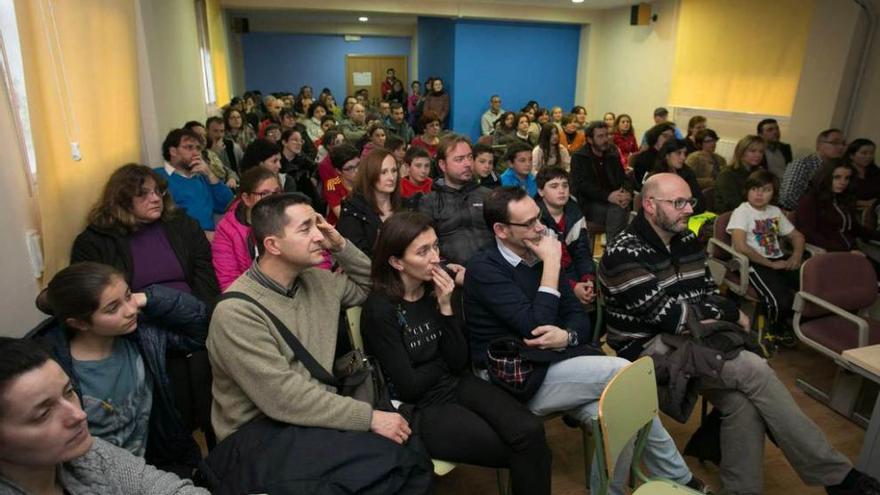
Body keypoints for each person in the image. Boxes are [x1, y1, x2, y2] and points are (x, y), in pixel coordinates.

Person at [599, 172, 880, 495]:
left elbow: (706, 291)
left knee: (741, 404)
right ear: (649, 205)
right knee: (754, 368)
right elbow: (672, 317)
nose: (689, 209)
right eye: (678, 203)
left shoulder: (686, 240)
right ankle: (839, 477)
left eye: (689, 201)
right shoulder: (624, 252)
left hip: (692, 342)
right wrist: (730, 312)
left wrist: (707, 312)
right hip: (644, 352)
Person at [464, 186, 709, 495]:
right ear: (500, 230)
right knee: (622, 371)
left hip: (551, 362)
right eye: (528, 224)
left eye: (538, 218)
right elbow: (535, 325)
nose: (540, 228)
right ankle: (682, 479)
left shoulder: (536, 249)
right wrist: (553, 264)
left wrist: (567, 335)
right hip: (510, 379)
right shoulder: (485, 268)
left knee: (624, 411)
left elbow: (579, 316)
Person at [205, 193, 433, 494]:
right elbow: (284, 399)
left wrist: (340, 245)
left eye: (318, 224)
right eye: (305, 229)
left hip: (313, 419)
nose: (318, 235)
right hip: (261, 435)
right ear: (273, 245)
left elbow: (376, 285)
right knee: (393, 469)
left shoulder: (318, 281)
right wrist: (368, 418)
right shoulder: (237, 312)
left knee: (411, 455)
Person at [363, 212, 552, 495]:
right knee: (516, 449)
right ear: (396, 261)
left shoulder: (435, 290)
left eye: (436, 246)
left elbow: (457, 360)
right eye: (423, 251)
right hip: (421, 409)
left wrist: (447, 307)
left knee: (531, 432)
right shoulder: (381, 310)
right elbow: (409, 386)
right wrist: (442, 364)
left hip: (456, 384)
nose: (435, 258)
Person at [35, 262, 207, 475]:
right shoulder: (59, 373)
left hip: (154, 466)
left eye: (128, 296)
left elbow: (200, 329)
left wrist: (148, 297)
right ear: (80, 324)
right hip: (97, 479)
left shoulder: (143, 338)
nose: (130, 310)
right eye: (112, 308)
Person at [0, 338, 209, 494]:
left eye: (69, 391)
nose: (79, 415)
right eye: (44, 414)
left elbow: (166, 488)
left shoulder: (88, 454)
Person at [71, 164, 220, 307]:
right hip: (135, 319)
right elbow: (88, 296)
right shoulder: (96, 240)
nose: (155, 198)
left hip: (191, 312)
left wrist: (201, 313)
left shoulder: (183, 225)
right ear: (122, 200)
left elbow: (206, 278)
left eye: (157, 191)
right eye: (143, 194)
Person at [728, 169, 804, 344]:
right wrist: (770, 265)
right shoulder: (742, 211)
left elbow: (798, 237)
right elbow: (741, 246)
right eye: (755, 189)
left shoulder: (775, 211)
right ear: (747, 190)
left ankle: (797, 324)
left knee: (808, 286)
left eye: (766, 190)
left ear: (773, 193)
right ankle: (777, 329)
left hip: (777, 260)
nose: (759, 194)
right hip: (752, 263)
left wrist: (796, 257)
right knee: (781, 299)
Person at [418, 134, 494, 265]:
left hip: (493, 269)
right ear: (442, 165)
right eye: (459, 159)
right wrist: (447, 270)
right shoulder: (430, 201)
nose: (468, 164)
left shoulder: (489, 196)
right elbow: (423, 248)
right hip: (452, 275)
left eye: (470, 157)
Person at [796, 161, 880, 267]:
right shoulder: (810, 200)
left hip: (852, 249)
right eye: (837, 177)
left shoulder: (843, 198)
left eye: (847, 178)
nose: (843, 182)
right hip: (831, 252)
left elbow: (855, 228)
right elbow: (809, 233)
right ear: (825, 177)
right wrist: (845, 251)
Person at [212, 167, 282, 290]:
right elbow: (228, 280)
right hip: (252, 298)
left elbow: (318, 261)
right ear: (246, 198)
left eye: (276, 192)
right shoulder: (227, 230)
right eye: (264, 194)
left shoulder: (291, 218)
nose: (273, 199)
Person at [535, 167, 596, 304]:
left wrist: (588, 280)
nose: (561, 190)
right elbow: (537, 266)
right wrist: (573, 287)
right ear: (540, 191)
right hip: (544, 280)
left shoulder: (575, 213)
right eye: (554, 186)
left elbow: (582, 252)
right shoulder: (534, 219)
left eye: (565, 185)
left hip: (572, 272)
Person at [154, 128, 233, 233]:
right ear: (173, 151)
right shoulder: (156, 177)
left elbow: (227, 205)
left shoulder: (202, 177)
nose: (196, 153)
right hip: (183, 241)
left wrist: (210, 175)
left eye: (198, 148)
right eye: (189, 147)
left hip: (210, 238)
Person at [570, 121, 633, 240]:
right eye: (600, 136)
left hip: (613, 200)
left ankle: (615, 250)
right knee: (619, 210)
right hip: (588, 203)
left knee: (622, 207)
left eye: (606, 135)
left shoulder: (612, 154)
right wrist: (608, 196)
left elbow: (623, 178)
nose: (605, 139)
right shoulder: (580, 157)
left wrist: (626, 194)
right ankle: (613, 251)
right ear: (589, 139)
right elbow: (582, 186)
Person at [337, 149, 401, 257]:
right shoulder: (352, 209)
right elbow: (357, 257)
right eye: (383, 172)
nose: (391, 178)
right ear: (370, 174)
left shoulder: (406, 205)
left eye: (394, 171)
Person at [779, 128, 848, 210]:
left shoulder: (839, 167)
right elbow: (788, 198)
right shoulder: (803, 164)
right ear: (819, 145)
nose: (841, 147)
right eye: (835, 143)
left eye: (843, 144)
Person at [649, 139, 706, 214]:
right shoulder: (656, 177)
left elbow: (700, 202)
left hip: (688, 215)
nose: (683, 157)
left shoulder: (687, 172)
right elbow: (657, 208)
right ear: (667, 156)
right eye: (678, 153)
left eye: (684, 153)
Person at [715, 135, 766, 213]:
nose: (758, 155)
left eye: (761, 152)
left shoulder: (759, 172)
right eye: (753, 151)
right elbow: (733, 203)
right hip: (731, 216)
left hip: (753, 212)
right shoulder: (727, 174)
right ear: (741, 152)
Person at [324, 143, 360, 225]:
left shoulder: (366, 179)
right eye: (350, 168)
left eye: (358, 164)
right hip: (339, 227)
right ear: (338, 171)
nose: (357, 170)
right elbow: (344, 218)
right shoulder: (331, 184)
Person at [631, 123, 675, 188]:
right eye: (665, 136)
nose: (668, 140)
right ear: (656, 136)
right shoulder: (645, 158)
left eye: (671, 137)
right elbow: (644, 183)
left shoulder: (669, 157)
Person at [846, 138, 880, 207]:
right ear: (851, 155)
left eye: (872, 153)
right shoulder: (843, 172)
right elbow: (838, 198)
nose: (869, 156)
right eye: (864, 153)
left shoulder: (875, 171)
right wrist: (863, 203)